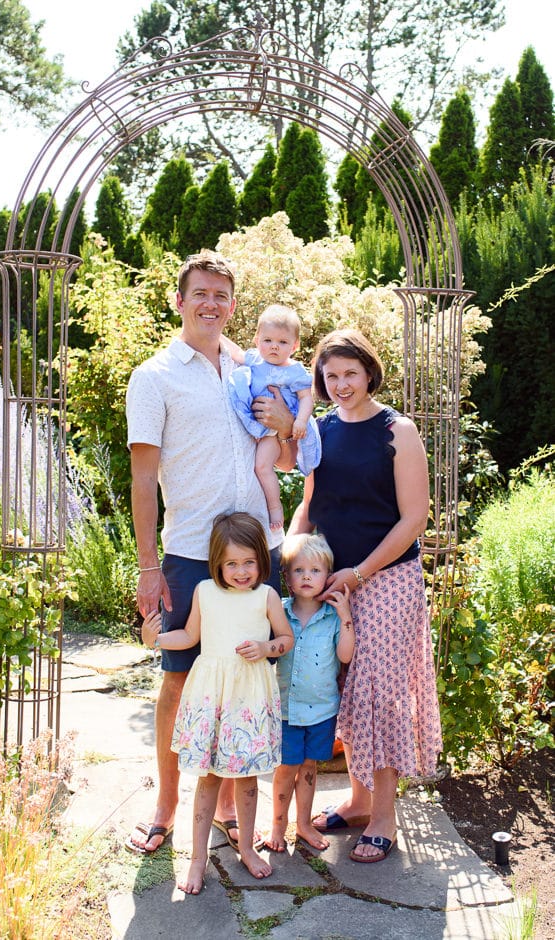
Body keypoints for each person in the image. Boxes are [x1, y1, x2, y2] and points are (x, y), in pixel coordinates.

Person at [125, 250, 297, 854]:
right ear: (179, 300)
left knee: (244, 677)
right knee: (179, 680)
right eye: (200, 293)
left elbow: (283, 456)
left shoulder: (249, 368)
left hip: (253, 552)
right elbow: (143, 481)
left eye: (222, 295)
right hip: (192, 552)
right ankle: (166, 805)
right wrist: (150, 567)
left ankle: (227, 802)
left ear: (232, 305)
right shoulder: (153, 377)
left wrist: (284, 424)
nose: (211, 304)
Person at [288, 328, 442, 863]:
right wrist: (290, 554)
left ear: (369, 372)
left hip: (388, 580)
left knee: (379, 691)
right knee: (345, 686)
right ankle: (356, 801)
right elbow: (308, 503)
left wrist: (359, 574)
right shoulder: (321, 432)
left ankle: (383, 817)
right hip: (328, 579)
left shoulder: (397, 430)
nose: (341, 384)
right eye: (330, 376)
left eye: (350, 373)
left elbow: (414, 519)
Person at [140, 512, 295, 893]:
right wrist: (154, 640)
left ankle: (245, 846)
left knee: (245, 781)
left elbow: (286, 639)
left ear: (261, 560)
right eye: (231, 564)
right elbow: (189, 636)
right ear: (217, 564)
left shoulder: (267, 596)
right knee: (207, 780)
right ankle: (197, 859)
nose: (241, 571)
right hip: (212, 699)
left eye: (248, 562)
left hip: (249, 701)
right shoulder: (205, 592)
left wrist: (265, 648)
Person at [265, 533, 355, 853]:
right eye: (299, 570)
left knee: (308, 768)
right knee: (285, 768)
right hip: (287, 709)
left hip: (321, 710)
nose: (306, 577)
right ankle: (277, 825)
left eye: (315, 571)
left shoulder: (332, 617)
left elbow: (345, 656)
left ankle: (303, 824)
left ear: (327, 576)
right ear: (287, 577)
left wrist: (345, 616)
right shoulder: (281, 612)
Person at [225, 305, 318, 530]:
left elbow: (307, 398)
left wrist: (300, 421)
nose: (274, 346)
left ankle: (275, 509)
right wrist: (216, 335)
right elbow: (235, 352)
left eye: (283, 342)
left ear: (294, 346)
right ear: (257, 340)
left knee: (262, 466)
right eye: (267, 340)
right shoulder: (255, 360)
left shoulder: (294, 371)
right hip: (252, 425)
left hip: (272, 433)